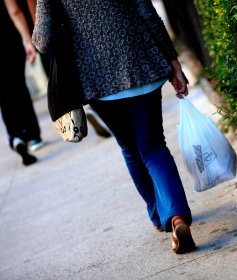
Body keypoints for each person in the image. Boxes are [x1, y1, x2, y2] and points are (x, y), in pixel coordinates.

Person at [32, 0, 196, 254]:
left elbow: (42, 38)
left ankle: (158, 216)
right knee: (153, 145)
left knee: (130, 147)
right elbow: (148, 12)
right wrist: (173, 62)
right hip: (141, 63)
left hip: (96, 79)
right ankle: (176, 217)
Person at [0, 0, 46, 166]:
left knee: (4, 97)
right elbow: (15, 11)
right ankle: (33, 136)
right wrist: (28, 40)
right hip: (8, 41)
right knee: (19, 87)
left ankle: (16, 136)